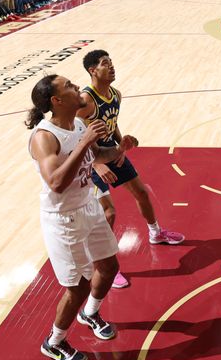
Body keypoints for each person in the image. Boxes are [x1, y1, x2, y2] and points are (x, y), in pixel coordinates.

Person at [27, 74, 136, 360]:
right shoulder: (44, 137)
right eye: (70, 87)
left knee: (109, 266)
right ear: (56, 100)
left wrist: (120, 148)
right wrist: (85, 141)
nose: (77, 88)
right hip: (63, 218)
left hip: (88, 205)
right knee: (78, 286)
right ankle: (54, 342)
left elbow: (97, 153)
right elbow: (56, 182)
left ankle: (90, 313)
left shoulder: (76, 124)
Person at [77, 50, 184, 289]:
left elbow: (112, 122)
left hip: (111, 153)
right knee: (109, 214)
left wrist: (120, 145)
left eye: (112, 62)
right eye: (106, 64)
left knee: (141, 193)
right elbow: (74, 135)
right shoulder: (86, 100)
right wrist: (96, 163)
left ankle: (156, 233)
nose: (112, 67)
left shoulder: (115, 94)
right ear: (93, 70)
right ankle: (103, 266)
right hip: (90, 161)